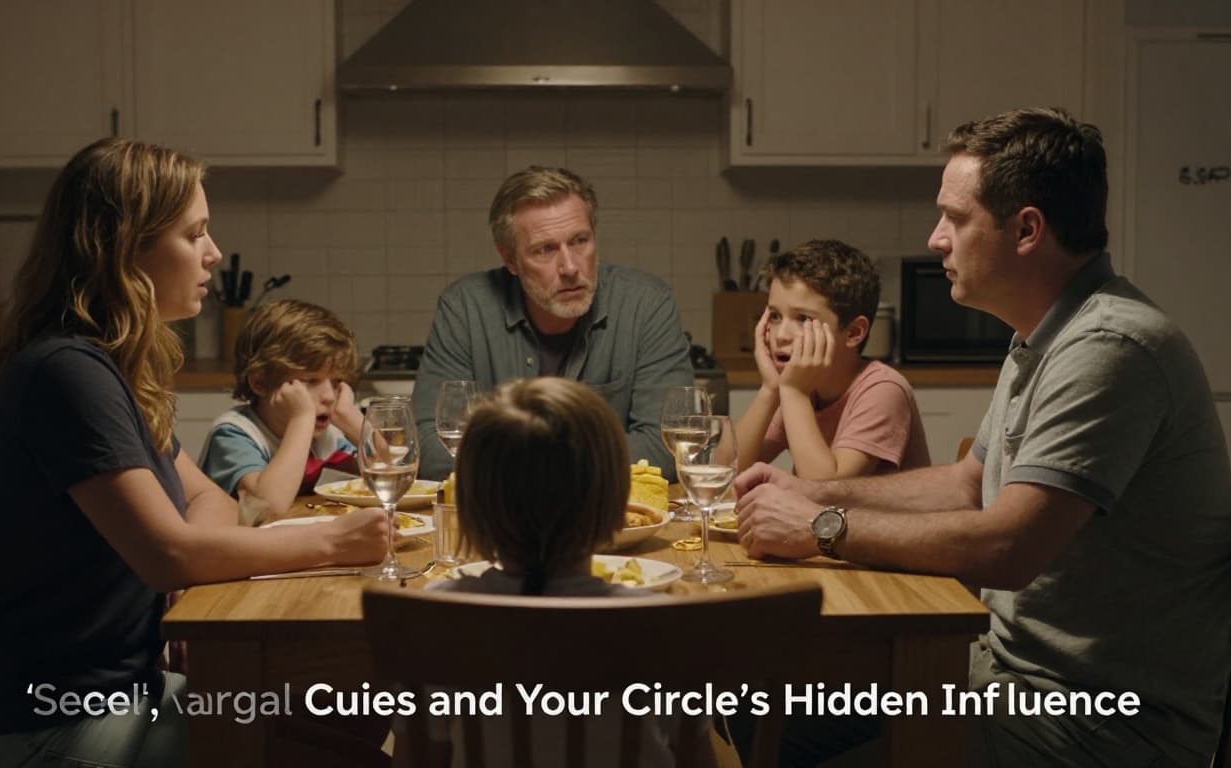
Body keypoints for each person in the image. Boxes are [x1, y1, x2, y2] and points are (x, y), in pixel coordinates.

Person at [732, 107, 1231, 765]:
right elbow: (969, 484)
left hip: (1096, 719)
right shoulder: (1042, 336)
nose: (935, 239)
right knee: (754, 713)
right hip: (997, 675)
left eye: (954, 218)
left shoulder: (1112, 346)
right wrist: (812, 491)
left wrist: (819, 525)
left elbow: (1008, 545)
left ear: (1026, 230)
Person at [0, 138, 387, 768]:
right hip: (44, 726)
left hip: (122, 695)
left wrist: (185, 561)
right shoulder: (67, 373)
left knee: (357, 716)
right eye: (194, 233)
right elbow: (168, 555)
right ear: (124, 247)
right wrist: (334, 542)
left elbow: (205, 500)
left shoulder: (110, 368)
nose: (214, 252)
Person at [393, 377, 713, 767]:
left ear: (473, 506)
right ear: (615, 504)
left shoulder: (438, 615)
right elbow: (697, 759)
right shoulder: (665, 624)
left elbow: (419, 758)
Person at [411, 166, 694, 480]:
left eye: (580, 241)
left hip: (611, 510)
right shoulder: (465, 307)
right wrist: (573, 459)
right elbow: (428, 448)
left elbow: (670, 449)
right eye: (544, 250)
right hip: (502, 511)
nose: (570, 267)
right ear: (510, 259)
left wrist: (518, 460)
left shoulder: (647, 304)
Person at [735, 238, 930, 478]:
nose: (781, 335)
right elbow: (725, 470)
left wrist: (794, 393)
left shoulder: (883, 389)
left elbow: (828, 489)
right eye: (775, 316)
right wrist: (770, 389)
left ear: (853, 332)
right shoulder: (800, 384)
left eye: (803, 319)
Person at [199, 298, 365, 525]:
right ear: (260, 382)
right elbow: (268, 506)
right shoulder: (233, 434)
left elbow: (394, 474)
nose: (329, 396)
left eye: (336, 382)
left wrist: (354, 421)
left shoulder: (324, 437)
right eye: (310, 380)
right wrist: (301, 418)